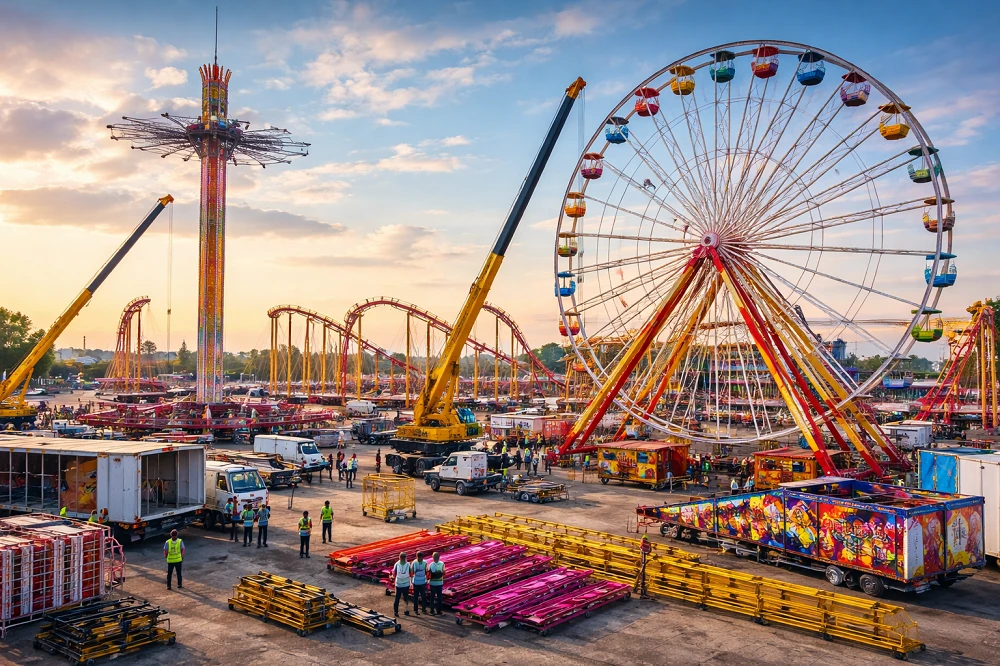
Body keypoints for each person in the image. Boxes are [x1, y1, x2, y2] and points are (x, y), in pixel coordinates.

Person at [392, 552, 411, 617]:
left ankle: (396, 611)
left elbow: (394, 574)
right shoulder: (408, 565)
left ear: (399, 557)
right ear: (405, 558)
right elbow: (411, 573)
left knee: (397, 598)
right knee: (405, 598)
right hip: (406, 584)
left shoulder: (396, 564)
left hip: (398, 584)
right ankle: (406, 610)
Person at [428, 551, 445, 615]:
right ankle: (439, 611)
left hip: (432, 583)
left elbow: (428, 573)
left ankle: (432, 610)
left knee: (432, 597)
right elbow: (444, 572)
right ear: (439, 557)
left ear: (433, 557)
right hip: (439, 583)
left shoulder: (431, 564)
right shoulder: (442, 564)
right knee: (439, 597)